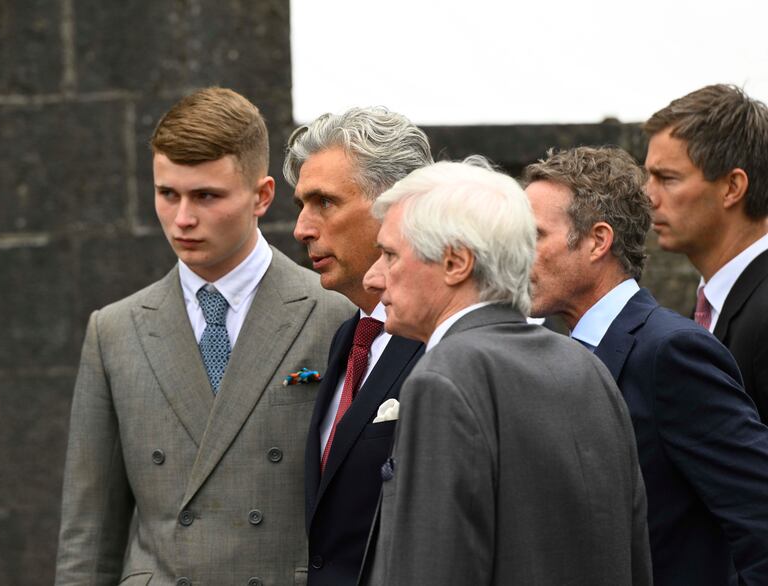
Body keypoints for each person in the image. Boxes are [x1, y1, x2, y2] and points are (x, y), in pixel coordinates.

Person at [55, 87, 353, 586]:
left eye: (206, 196)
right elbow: (88, 535)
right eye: (167, 194)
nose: (183, 218)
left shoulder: (334, 314)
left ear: (261, 197)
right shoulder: (115, 330)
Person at [360, 157, 651, 586]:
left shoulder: (444, 377)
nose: (374, 278)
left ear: (456, 263)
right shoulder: (586, 366)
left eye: (389, 254)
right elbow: (634, 559)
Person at [524, 146, 768, 585]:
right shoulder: (558, 351)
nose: (517, 255)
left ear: (598, 241)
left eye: (535, 236)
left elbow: (759, 513)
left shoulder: (671, 352)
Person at [283, 106, 432, 585]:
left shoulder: (446, 344)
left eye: (324, 202)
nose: (302, 229)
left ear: (396, 207)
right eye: (301, 205)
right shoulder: (349, 337)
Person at [644, 84, 768, 420]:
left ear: (732, 187)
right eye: (649, 177)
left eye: (667, 179)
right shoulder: (713, 302)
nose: (648, 196)